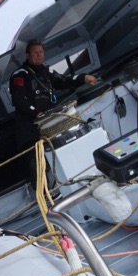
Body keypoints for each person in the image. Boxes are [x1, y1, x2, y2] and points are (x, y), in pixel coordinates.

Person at [9, 40, 97, 186]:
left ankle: (72, 183)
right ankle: (42, 194)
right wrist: (36, 113)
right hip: (30, 130)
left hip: (49, 126)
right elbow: (19, 99)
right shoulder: (20, 75)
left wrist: (83, 78)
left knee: (58, 156)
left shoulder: (46, 71)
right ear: (28, 55)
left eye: (41, 52)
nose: (39, 55)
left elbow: (64, 81)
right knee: (37, 162)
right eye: (35, 52)